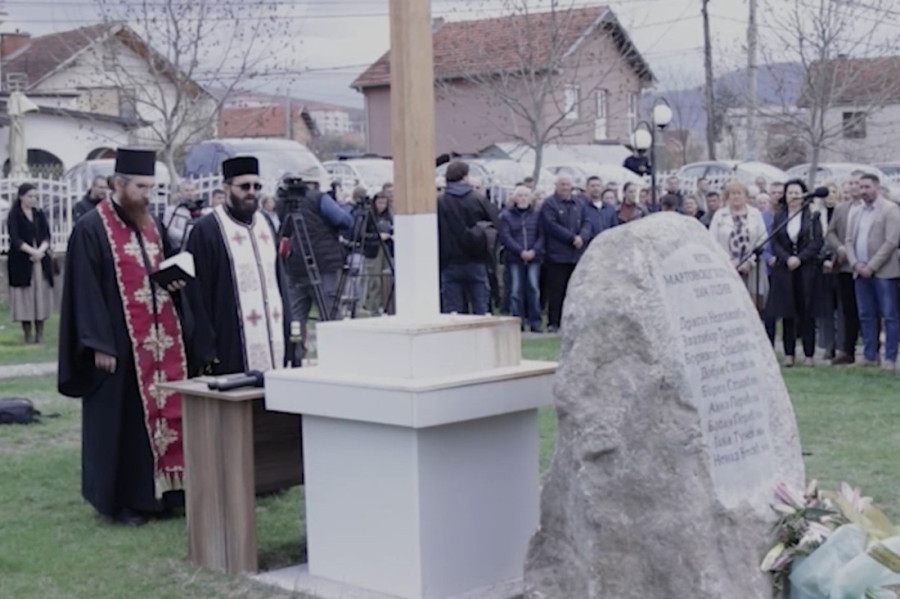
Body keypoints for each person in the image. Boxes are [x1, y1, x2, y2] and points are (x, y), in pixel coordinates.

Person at [58, 148, 189, 526]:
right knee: (125, 423)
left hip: (160, 342)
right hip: (119, 343)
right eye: (140, 187)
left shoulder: (153, 224)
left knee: (168, 416)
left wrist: (177, 280)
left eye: (151, 187)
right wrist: (97, 342)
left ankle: (168, 493)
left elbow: (166, 266)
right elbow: (84, 290)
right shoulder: (91, 228)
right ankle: (125, 501)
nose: (147, 195)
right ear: (118, 184)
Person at [185, 156, 292, 374]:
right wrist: (206, 349)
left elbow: (278, 279)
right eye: (244, 187)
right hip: (230, 339)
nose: (251, 192)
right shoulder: (208, 229)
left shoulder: (265, 223)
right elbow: (198, 295)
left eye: (256, 186)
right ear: (226, 188)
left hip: (273, 336)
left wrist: (289, 328)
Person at [279, 168, 354, 352]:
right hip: (323, 263)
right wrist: (341, 203)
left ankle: (296, 355)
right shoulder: (319, 198)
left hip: (294, 264)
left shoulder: (284, 202)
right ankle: (335, 353)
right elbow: (345, 221)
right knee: (329, 313)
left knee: (296, 315)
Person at [764, 179, 824, 367]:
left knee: (806, 312)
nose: (793, 196)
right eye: (790, 193)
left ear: (804, 195)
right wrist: (787, 258)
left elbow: (817, 242)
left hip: (806, 269)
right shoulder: (780, 216)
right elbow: (775, 242)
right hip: (785, 269)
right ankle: (788, 354)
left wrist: (800, 258)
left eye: (797, 193)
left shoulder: (812, 215)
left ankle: (809, 354)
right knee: (787, 312)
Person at [844, 173, 900, 370]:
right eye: (861, 187)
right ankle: (870, 356)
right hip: (860, 271)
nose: (863, 191)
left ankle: (890, 358)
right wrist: (855, 263)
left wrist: (872, 266)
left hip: (884, 272)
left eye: (867, 187)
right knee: (866, 315)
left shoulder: (890, 210)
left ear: (877, 187)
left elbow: (891, 241)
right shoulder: (857, 211)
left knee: (889, 315)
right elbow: (848, 240)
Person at [437, 160, 498, 315]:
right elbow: (495, 225)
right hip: (476, 259)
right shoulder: (477, 199)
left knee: (452, 311)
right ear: (464, 177)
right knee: (480, 308)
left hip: (449, 261)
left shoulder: (440, 202)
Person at [540, 174, 590, 332]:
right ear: (556, 186)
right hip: (557, 255)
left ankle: (574, 322)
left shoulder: (579, 203)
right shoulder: (549, 204)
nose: (565, 187)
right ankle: (554, 323)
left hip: (577, 255)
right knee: (557, 291)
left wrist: (582, 237)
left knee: (575, 291)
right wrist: (571, 238)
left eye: (568, 184)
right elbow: (551, 225)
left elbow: (587, 222)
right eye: (562, 184)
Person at [709, 181, 770, 310]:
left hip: (752, 267)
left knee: (753, 305)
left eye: (739, 193)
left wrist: (749, 261)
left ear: (746, 196)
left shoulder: (755, 214)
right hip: (727, 267)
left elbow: (762, 238)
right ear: (727, 197)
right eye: (732, 194)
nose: (736, 196)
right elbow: (712, 242)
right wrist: (730, 262)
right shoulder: (719, 215)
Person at [6, 183, 54, 343]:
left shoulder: (39, 214)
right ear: (21, 197)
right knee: (24, 296)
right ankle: (27, 333)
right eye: (30, 196)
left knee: (40, 294)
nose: (33, 199)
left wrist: (40, 251)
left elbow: (47, 235)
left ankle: (40, 332)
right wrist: (32, 252)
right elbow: (15, 239)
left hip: (40, 260)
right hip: (22, 261)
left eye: (35, 196)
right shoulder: (14, 215)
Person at [826, 178, 864, 365]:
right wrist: (840, 248)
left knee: (868, 310)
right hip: (845, 266)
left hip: (866, 265)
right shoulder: (841, 209)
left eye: (858, 183)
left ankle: (873, 350)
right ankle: (848, 350)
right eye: (851, 183)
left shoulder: (873, 209)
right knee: (848, 309)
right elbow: (830, 232)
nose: (854, 187)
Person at [500, 186, 544, 332]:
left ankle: (535, 321)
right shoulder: (506, 216)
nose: (523, 198)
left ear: (531, 198)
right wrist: (520, 251)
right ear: (514, 198)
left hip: (534, 257)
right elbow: (506, 236)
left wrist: (534, 251)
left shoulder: (537, 215)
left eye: (526, 195)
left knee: (533, 289)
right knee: (515, 290)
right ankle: (517, 321)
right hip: (514, 257)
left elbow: (542, 235)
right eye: (520, 195)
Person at [163, 180, 202, 250]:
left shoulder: (200, 209)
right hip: (178, 247)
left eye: (192, 190)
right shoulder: (171, 210)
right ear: (180, 192)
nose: (190, 193)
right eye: (187, 190)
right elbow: (169, 230)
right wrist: (189, 237)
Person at [584, 176, 617, 244]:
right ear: (587, 188)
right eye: (593, 186)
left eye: (598, 186)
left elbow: (615, 229)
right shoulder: (582, 207)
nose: (596, 188)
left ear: (602, 188)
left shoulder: (610, 209)